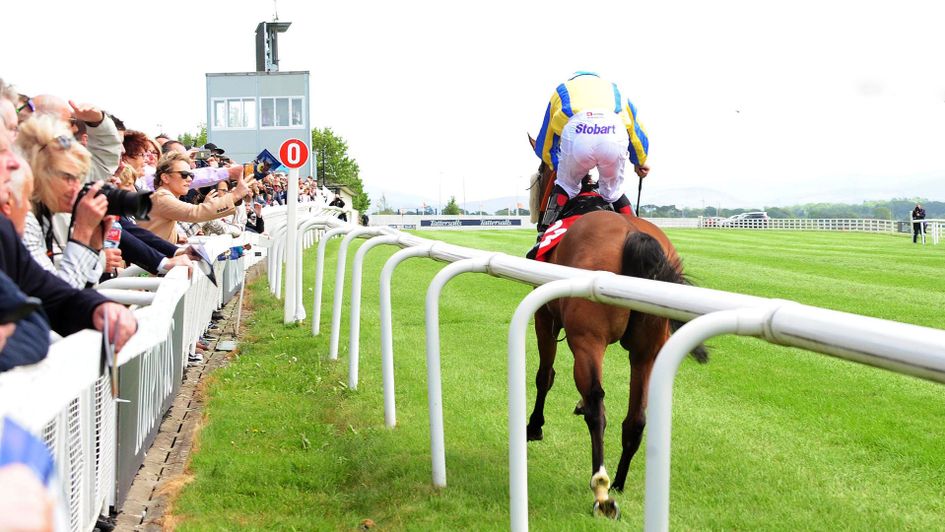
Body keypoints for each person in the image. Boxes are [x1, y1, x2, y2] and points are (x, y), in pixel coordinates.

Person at [533, 71, 649, 231]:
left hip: (577, 133)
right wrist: (640, 162)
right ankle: (639, 232)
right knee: (613, 192)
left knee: (566, 185)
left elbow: (544, 142)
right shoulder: (616, 90)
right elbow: (636, 134)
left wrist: (555, 164)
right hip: (614, 133)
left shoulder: (561, 90)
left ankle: (544, 230)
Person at [138, 152, 251, 243]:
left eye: (191, 175)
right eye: (184, 174)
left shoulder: (163, 197)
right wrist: (235, 195)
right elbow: (196, 212)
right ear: (165, 178)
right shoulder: (161, 197)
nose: (189, 179)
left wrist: (176, 237)